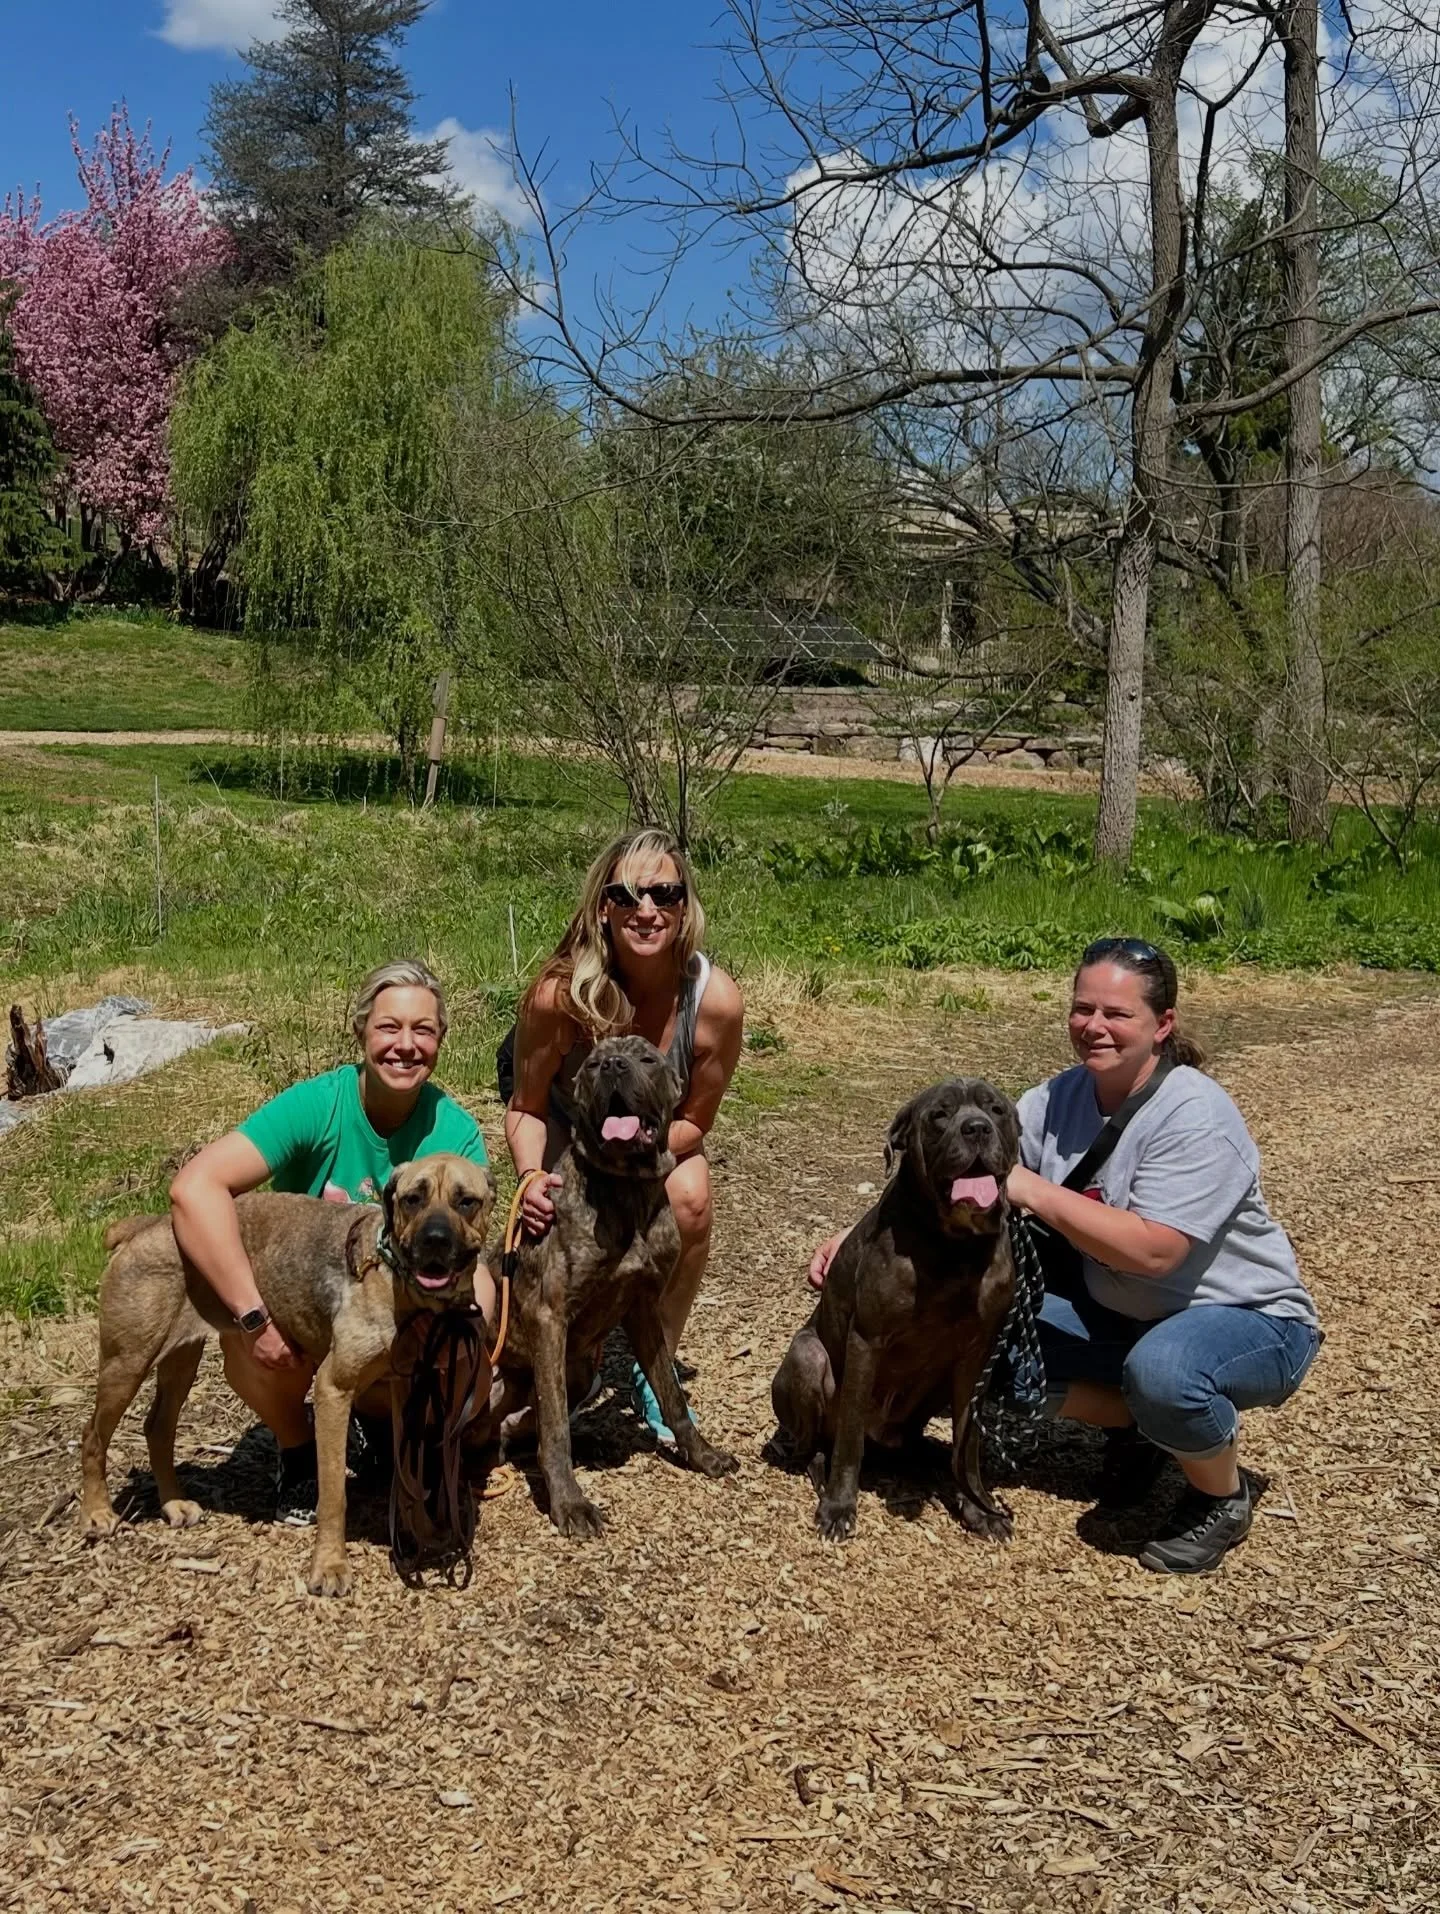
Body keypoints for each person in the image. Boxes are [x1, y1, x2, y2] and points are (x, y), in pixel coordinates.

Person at [809, 937, 1321, 1575]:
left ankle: (1221, 1492)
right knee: (984, 1346)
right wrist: (855, 1239)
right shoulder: (1054, 1100)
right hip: (1121, 1309)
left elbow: (1157, 1253)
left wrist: (1030, 1189)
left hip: (1243, 1318)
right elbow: (955, 1165)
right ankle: (1147, 1429)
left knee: (1164, 1375)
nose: (1094, 1026)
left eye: (1117, 1013)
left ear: (1163, 1026)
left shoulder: (1196, 1115)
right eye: (1084, 1009)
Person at [169, 958, 491, 1525]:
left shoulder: (455, 1132)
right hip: (309, 1319)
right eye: (389, 1027)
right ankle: (296, 1451)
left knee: (480, 1313)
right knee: (254, 1349)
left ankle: (410, 1438)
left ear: (441, 1040)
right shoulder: (319, 1105)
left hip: (395, 1324)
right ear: (361, 1030)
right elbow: (195, 1187)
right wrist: (253, 1319)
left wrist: (456, 1347)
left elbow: (473, 1248)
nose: (405, 1045)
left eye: (423, 1029)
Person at [502, 827, 744, 1440]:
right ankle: (563, 1354)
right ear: (602, 908)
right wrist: (533, 1176)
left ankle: (656, 1357)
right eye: (627, 895)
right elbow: (526, 1108)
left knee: (689, 1197)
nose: (647, 910)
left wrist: (640, 1156)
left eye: (664, 893)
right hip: (568, 1130)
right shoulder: (559, 996)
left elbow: (694, 1119)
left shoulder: (714, 1002)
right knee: (559, 1219)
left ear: (685, 905)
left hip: (653, 1142)